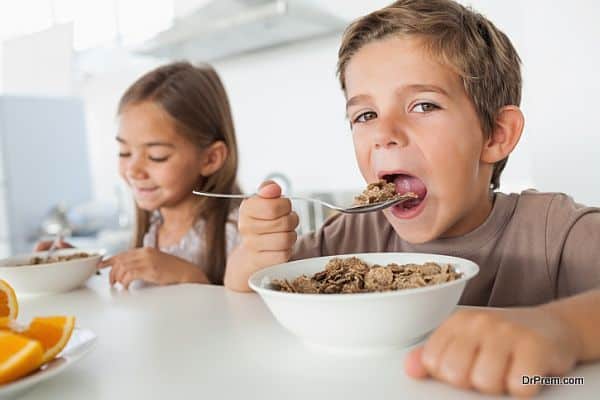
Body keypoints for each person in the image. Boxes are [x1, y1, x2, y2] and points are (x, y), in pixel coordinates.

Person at [224, 1, 600, 396]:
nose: (384, 132)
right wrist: (255, 253)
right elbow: (248, 295)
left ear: (495, 135)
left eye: (423, 105)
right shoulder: (351, 236)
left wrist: (563, 329)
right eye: (365, 115)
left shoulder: (554, 232)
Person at [38, 62, 242, 287]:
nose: (133, 170)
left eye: (157, 155)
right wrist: (79, 267)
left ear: (210, 159)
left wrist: (188, 276)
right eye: (124, 152)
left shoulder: (238, 233)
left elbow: (249, 316)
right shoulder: (153, 230)